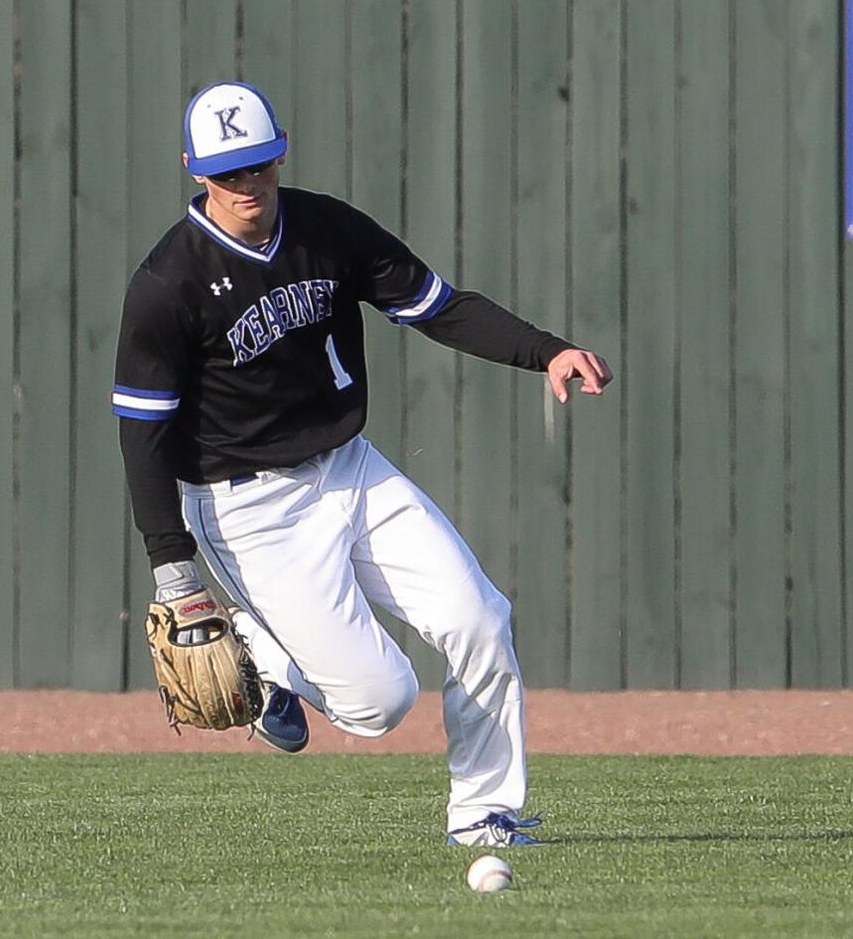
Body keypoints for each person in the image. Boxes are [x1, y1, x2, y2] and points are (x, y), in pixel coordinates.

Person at [114, 79, 612, 845]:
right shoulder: (167, 283)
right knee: (380, 704)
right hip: (249, 508)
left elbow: (438, 305)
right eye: (227, 171)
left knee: (480, 618)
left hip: (351, 468)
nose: (247, 183)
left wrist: (546, 350)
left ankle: (483, 814)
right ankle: (265, 657)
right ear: (194, 169)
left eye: (258, 163)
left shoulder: (325, 228)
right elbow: (142, 433)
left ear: (280, 153)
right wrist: (173, 570)